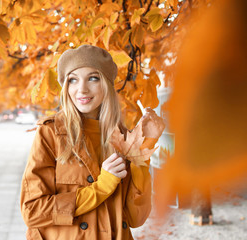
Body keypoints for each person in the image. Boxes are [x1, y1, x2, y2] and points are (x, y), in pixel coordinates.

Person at [20, 45, 165, 240]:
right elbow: (32, 211)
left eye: (93, 78)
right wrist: (102, 187)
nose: (82, 89)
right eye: (73, 80)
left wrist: (144, 150)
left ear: (106, 84)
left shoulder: (122, 137)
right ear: (66, 88)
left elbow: (135, 218)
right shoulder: (51, 133)